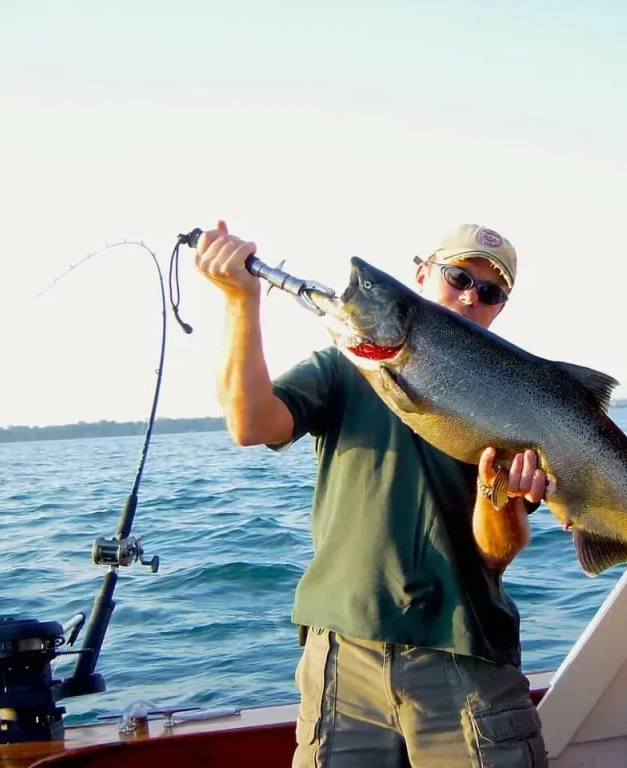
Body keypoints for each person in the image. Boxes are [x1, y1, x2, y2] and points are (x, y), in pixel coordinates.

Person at [194, 220, 550, 767]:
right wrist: (242, 301)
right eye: (458, 276)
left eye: (489, 291)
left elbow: (495, 553)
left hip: (465, 649)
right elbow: (250, 423)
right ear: (421, 275)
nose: (469, 296)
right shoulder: (341, 368)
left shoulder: (514, 400)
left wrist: (495, 492)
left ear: (500, 307)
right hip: (342, 654)